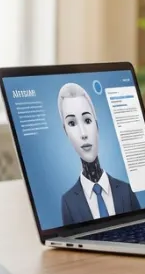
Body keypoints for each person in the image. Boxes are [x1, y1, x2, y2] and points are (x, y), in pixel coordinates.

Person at [57, 82, 140, 226]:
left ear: (97, 125)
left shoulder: (126, 190)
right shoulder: (68, 202)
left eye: (87, 120)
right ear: (66, 132)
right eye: (72, 123)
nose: (83, 134)